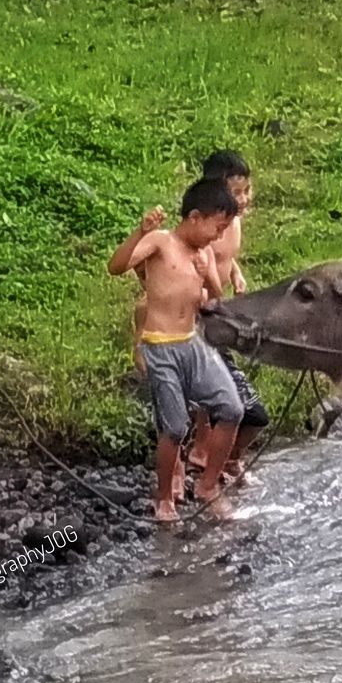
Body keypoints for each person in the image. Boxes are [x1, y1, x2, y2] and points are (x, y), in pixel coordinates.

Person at [108, 179, 244, 522]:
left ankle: (208, 485)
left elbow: (214, 298)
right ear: (196, 217)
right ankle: (164, 495)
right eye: (218, 226)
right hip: (160, 345)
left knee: (231, 407)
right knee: (175, 427)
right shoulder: (161, 242)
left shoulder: (205, 253)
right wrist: (140, 232)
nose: (218, 236)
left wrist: (208, 278)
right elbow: (117, 267)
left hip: (191, 341)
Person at [186, 150, 270, 483]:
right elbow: (201, 259)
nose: (245, 199)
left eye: (247, 190)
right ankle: (204, 451)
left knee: (232, 396)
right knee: (221, 395)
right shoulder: (206, 227)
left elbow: (225, 256)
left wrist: (235, 272)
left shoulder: (232, 223)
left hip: (219, 311)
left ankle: (228, 460)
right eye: (237, 193)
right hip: (203, 314)